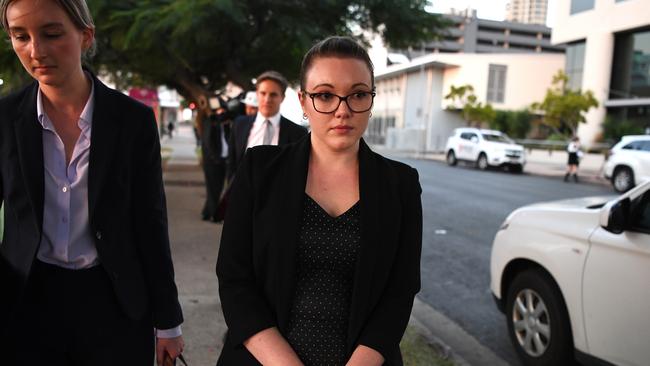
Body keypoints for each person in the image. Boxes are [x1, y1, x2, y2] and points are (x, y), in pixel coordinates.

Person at [216, 36, 423, 365]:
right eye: (325, 95)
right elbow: (234, 278)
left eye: (357, 94)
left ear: (371, 99)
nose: (343, 110)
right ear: (303, 101)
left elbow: (400, 290)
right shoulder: (260, 170)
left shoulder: (400, 184)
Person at [0, 0, 185, 364]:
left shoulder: (133, 121)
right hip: (26, 304)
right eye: (20, 36)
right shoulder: (5, 118)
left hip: (113, 303)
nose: (35, 51)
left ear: (85, 36)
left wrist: (168, 322)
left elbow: (150, 223)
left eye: (52, 34)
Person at [227, 70, 307, 180]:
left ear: (282, 97)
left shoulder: (297, 133)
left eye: (273, 95)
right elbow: (232, 163)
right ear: (257, 94)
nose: (267, 99)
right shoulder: (240, 124)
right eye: (263, 93)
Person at [201, 108, 230, 222]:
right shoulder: (210, 123)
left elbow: (228, 140)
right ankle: (214, 215)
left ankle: (206, 212)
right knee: (214, 189)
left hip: (223, 160)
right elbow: (208, 143)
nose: (222, 114)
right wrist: (215, 158)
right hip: (213, 162)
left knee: (218, 188)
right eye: (220, 112)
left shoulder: (225, 125)